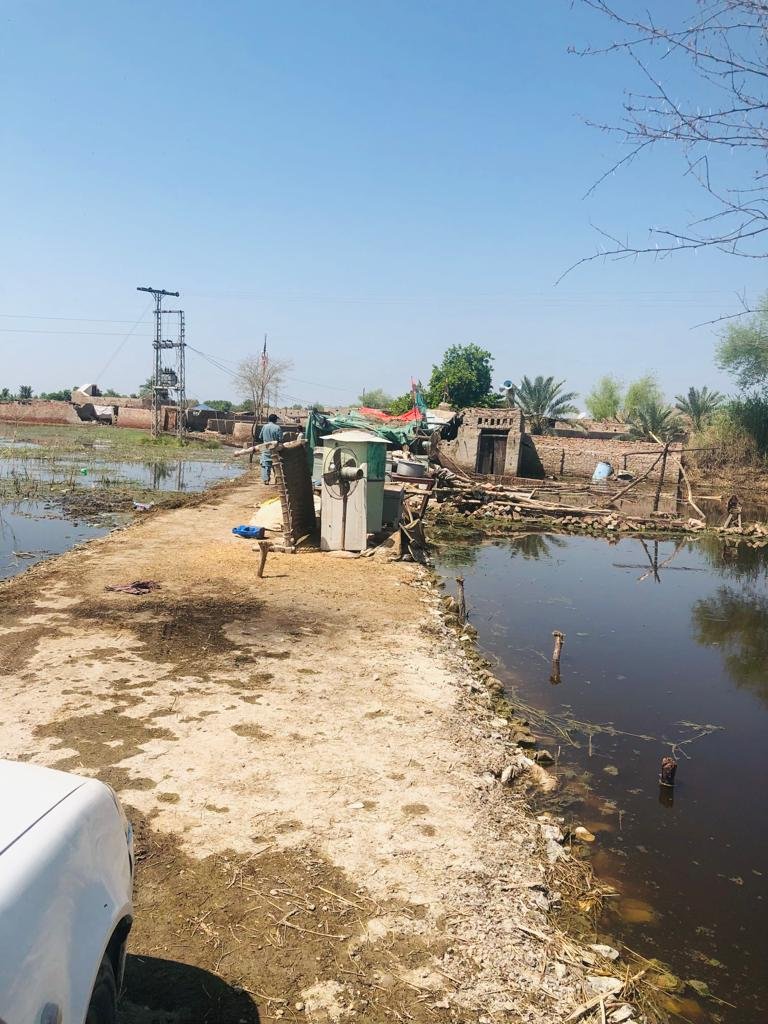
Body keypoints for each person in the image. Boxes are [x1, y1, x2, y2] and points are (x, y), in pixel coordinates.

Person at [258, 413, 283, 484]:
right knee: (276, 465)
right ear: (275, 420)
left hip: (265, 449)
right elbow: (280, 438)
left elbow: (260, 437)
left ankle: (266, 480)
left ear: (269, 419)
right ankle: (277, 480)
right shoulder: (277, 427)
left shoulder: (264, 427)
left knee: (265, 465)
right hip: (275, 449)